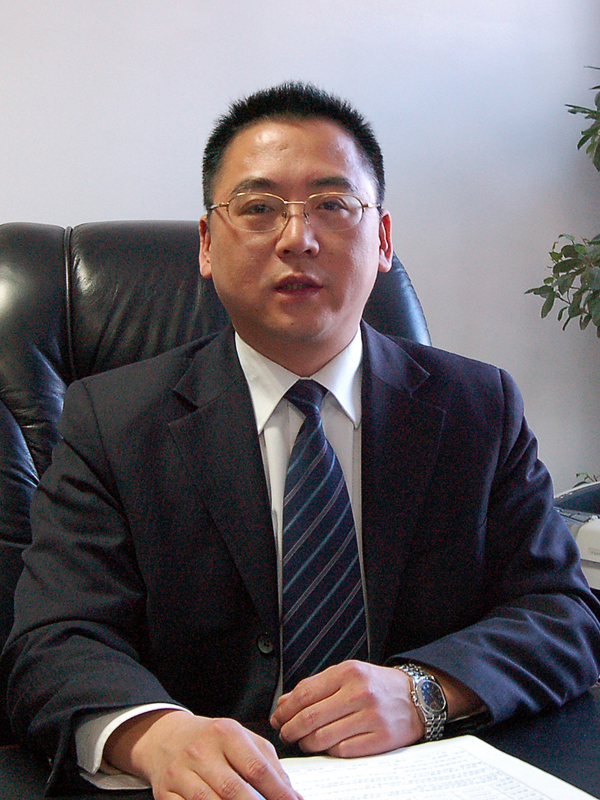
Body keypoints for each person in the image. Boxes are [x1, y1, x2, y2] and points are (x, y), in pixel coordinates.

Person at [3, 82, 600, 800]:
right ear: (207, 244)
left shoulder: (477, 407)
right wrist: (155, 736)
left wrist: (426, 692)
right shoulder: (112, 421)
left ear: (382, 240)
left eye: (332, 204)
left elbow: (561, 613)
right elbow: (54, 640)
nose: (297, 238)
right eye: (258, 208)